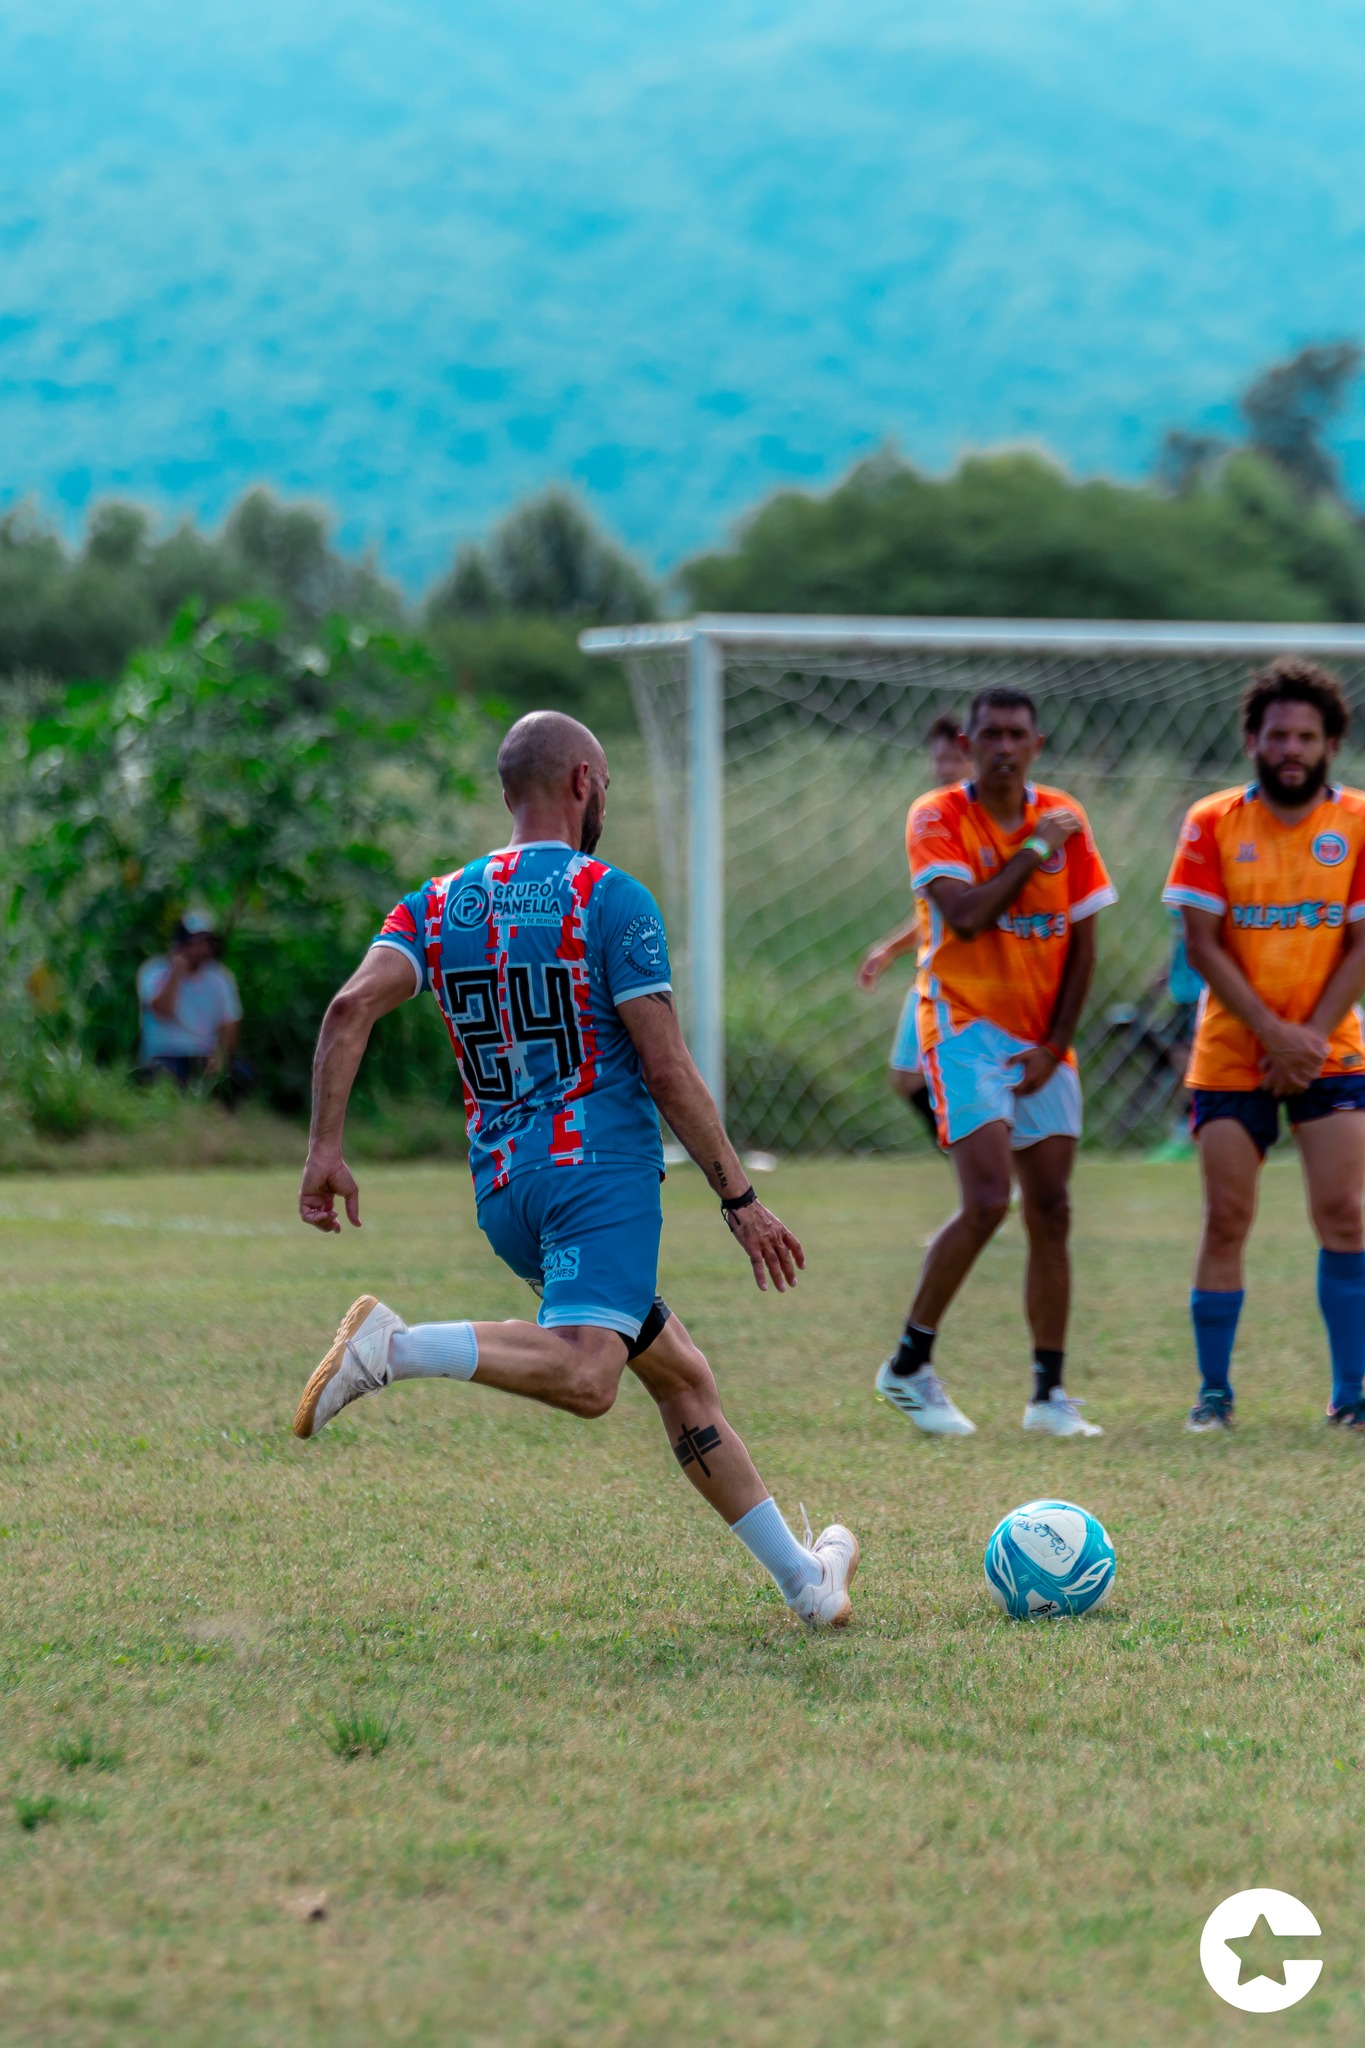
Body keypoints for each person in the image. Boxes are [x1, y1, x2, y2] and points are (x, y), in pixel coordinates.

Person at [293, 710, 859, 1627]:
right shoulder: (609, 898)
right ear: (586, 781)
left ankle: (805, 1581)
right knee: (591, 1376)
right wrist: (740, 1197)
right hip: (598, 1177)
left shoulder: (435, 904)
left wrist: (325, 1150)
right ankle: (391, 1348)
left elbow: (350, 1007)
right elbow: (667, 1068)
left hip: (506, 1192)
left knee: (677, 1373)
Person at [873, 686, 1117, 1438]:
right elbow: (968, 916)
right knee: (987, 1199)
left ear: (1035, 744)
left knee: (1052, 1210)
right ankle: (907, 1367)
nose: (1003, 747)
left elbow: (1081, 941)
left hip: (1040, 1037)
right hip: (962, 1024)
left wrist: (1052, 1045)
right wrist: (1036, 847)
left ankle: (1048, 1396)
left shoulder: (1063, 815)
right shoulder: (937, 815)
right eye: (989, 735)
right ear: (970, 743)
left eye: (1016, 734)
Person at [1162, 657, 1365, 1433]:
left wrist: (1306, 1038)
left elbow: (1358, 947)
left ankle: (1350, 1395)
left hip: (1330, 1050)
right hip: (1231, 1050)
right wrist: (1272, 1035)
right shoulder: (1211, 820)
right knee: (1224, 1219)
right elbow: (1203, 944)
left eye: (1305, 736)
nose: (1290, 747)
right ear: (1252, 739)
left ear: (1328, 743)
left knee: (1345, 1215)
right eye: (1277, 733)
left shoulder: (1355, 822)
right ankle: (1212, 1396)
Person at [856, 715, 974, 1140]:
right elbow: (934, 913)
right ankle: (977, 1163)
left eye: (955, 758)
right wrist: (889, 949)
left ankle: (992, 1164)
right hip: (932, 973)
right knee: (907, 1077)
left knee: (968, 1082)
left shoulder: (982, 823)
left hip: (974, 979)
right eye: (938, 758)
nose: (945, 767)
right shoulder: (932, 819)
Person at [136, 911, 248, 1095]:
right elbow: (162, 1011)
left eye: (206, 943)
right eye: (195, 943)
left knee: (241, 1074)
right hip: (166, 1055)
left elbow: (229, 1025)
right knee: (161, 1077)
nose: (202, 950)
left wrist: (221, 1056)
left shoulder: (220, 978)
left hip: (202, 1056)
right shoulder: (153, 972)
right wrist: (177, 973)